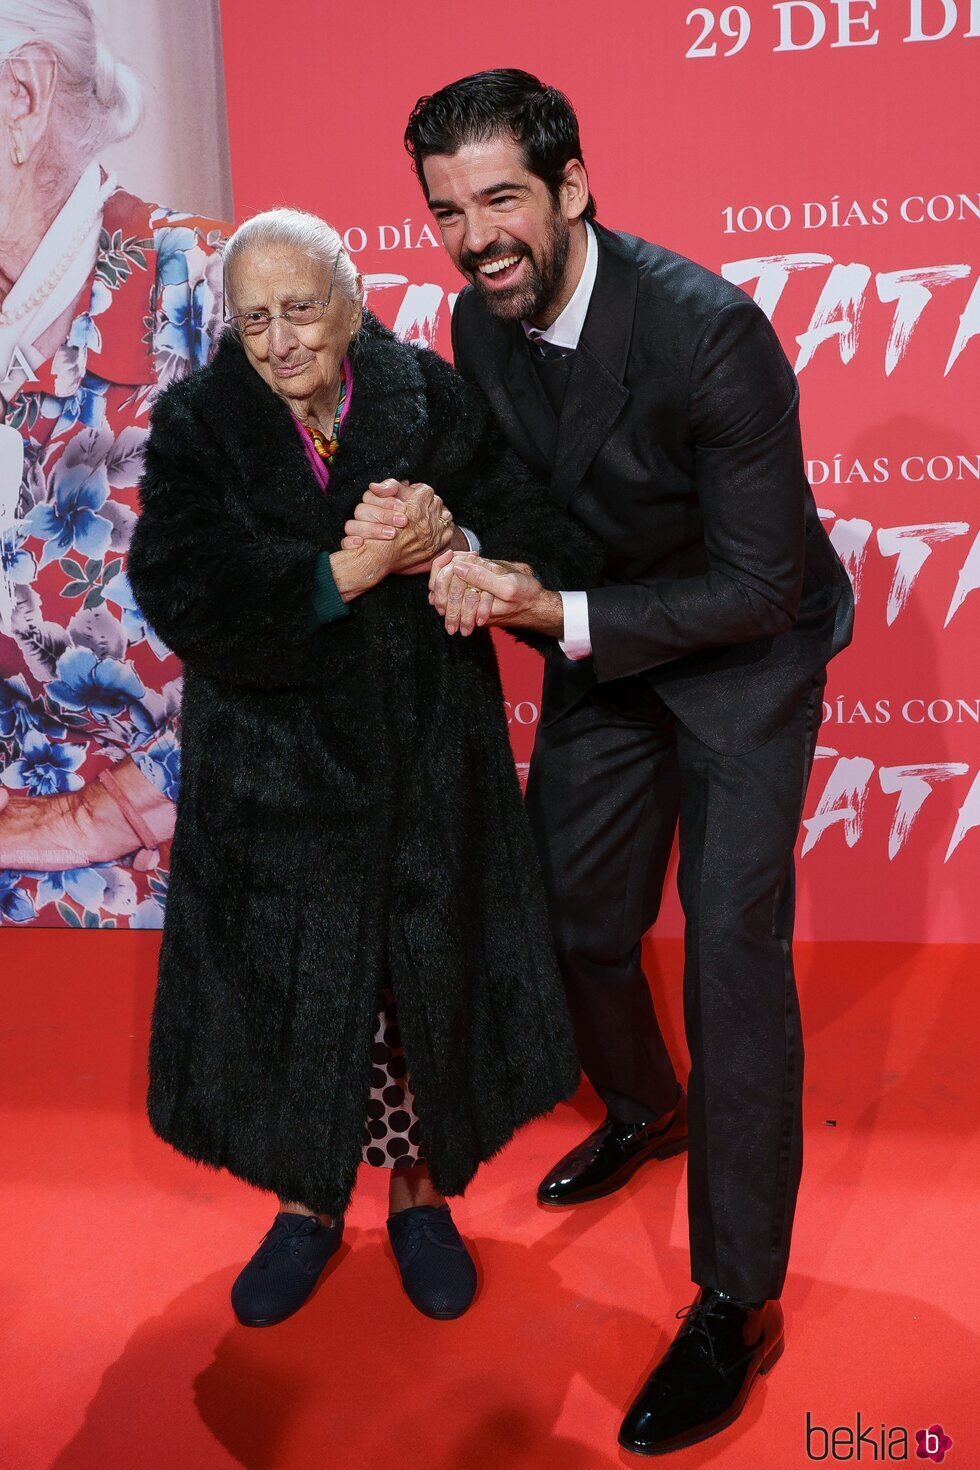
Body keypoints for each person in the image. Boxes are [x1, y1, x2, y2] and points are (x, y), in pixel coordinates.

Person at [345, 67, 854, 1453]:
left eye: (502, 197)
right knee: (574, 911)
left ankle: (737, 1299)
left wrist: (548, 611)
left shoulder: (711, 336)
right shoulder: (475, 314)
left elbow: (758, 584)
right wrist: (437, 526)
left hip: (747, 653)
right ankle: (647, 1101)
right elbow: (523, 488)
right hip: (610, 639)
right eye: (447, 208)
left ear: (572, 187)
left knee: (734, 957)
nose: (473, 234)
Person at [126, 207, 601, 1326]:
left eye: (299, 309)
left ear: (351, 300)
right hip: (274, 787)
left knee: (412, 997)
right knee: (293, 1004)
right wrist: (341, 571)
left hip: (430, 766)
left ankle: (420, 1199)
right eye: (253, 320)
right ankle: (303, 1206)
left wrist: (457, 544)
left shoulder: (427, 397)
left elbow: (541, 535)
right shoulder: (199, 425)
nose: (281, 340)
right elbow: (180, 589)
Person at [0, 0, 226, 929]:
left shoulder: (226, 297)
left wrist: (102, 812)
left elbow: (350, 620)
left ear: (22, 94)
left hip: (205, 911)